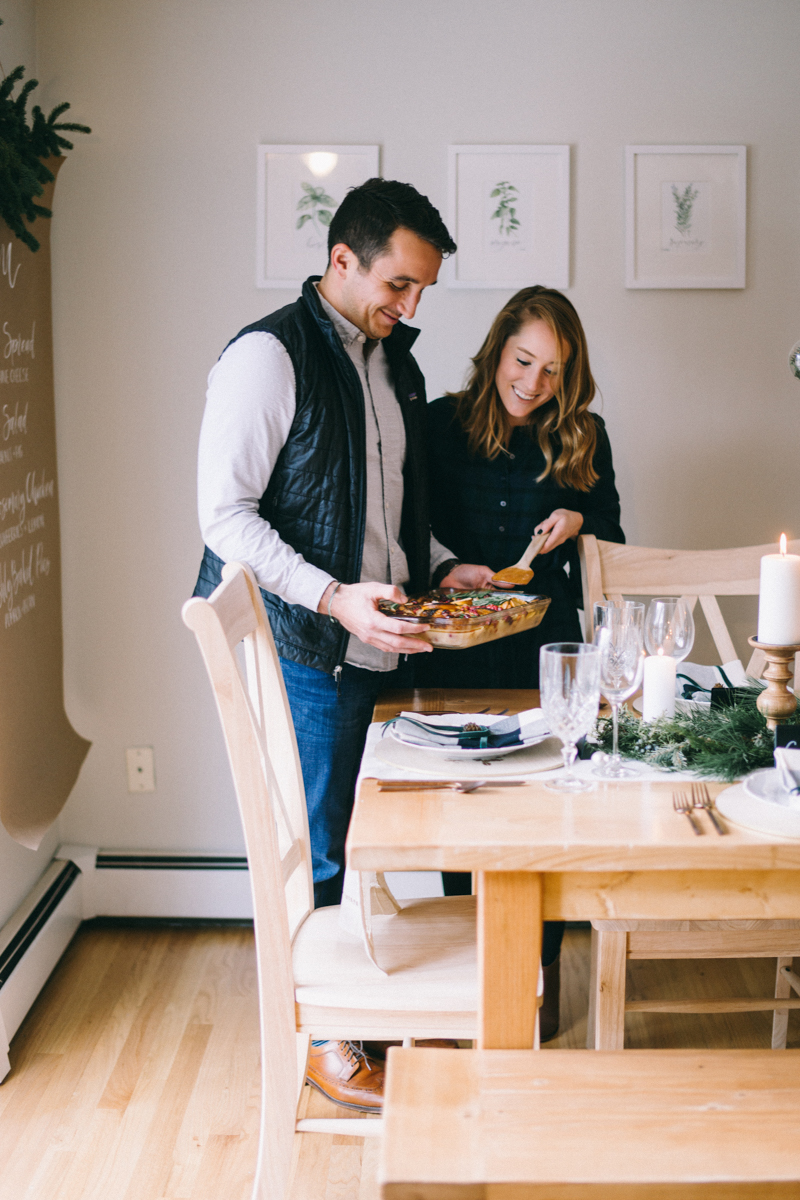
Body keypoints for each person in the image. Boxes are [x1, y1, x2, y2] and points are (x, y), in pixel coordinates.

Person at [193, 178, 492, 1110]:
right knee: (320, 846)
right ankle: (326, 1042)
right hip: (298, 644)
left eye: (422, 293)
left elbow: (389, 501)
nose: (410, 308)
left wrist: (440, 563)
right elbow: (223, 518)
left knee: (372, 835)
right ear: (341, 262)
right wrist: (331, 597)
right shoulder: (266, 358)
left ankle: (371, 1008)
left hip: (375, 632)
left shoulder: (393, 362)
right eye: (399, 285)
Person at [416, 285, 625, 1039]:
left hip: (548, 648)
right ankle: (473, 978)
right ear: (498, 349)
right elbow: (412, 528)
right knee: (463, 800)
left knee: (546, 807)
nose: (533, 383)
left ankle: (534, 984)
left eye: (552, 370)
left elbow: (613, 528)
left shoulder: (585, 433)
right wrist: (446, 570)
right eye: (523, 360)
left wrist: (577, 519)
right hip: (458, 644)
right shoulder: (438, 423)